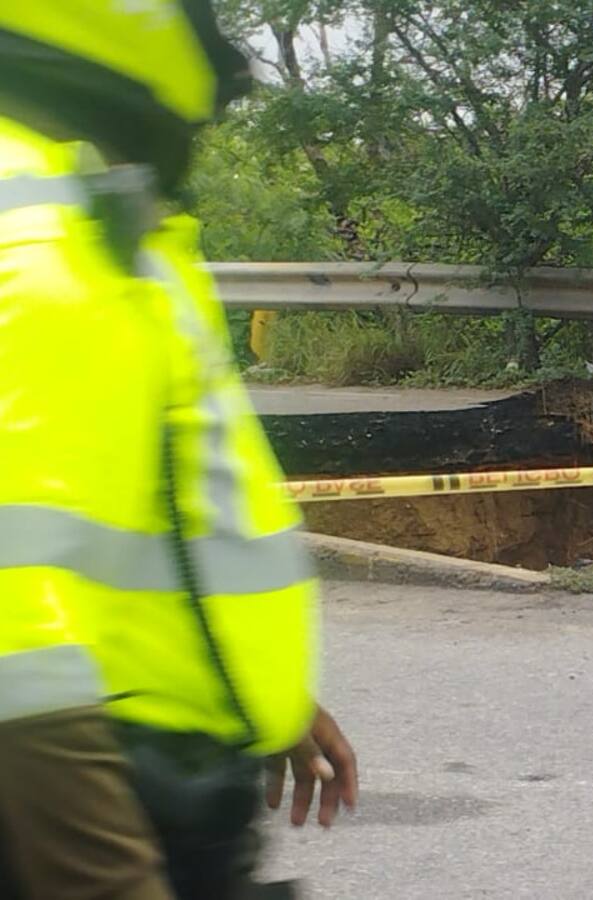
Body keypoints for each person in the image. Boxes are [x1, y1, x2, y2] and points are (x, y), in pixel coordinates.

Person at [0, 3, 356, 897]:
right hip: (98, 802)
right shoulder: (45, 244)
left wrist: (250, 684)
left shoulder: (87, 215)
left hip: (149, 767)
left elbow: (141, 495)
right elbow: (12, 615)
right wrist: (102, 874)